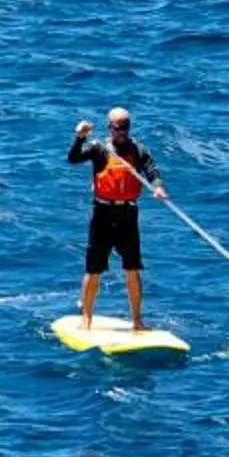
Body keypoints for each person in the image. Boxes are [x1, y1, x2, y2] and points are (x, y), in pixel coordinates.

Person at [70, 106, 167, 329]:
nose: (122, 132)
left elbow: (152, 171)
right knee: (94, 269)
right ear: (109, 127)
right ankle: (86, 319)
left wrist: (158, 187)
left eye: (125, 127)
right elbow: (73, 158)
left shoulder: (138, 151)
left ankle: (137, 321)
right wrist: (80, 137)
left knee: (132, 268)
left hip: (127, 215)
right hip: (103, 214)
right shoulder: (99, 149)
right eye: (118, 128)